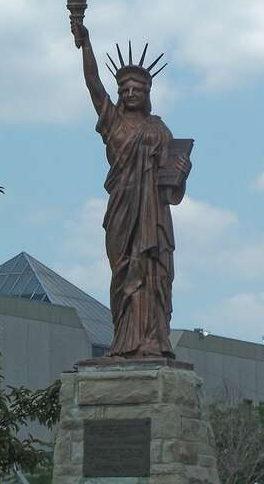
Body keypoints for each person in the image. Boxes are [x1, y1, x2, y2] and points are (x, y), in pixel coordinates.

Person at [72, 22, 191, 358]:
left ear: (147, 92)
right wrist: (85, 42)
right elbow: (93, 83)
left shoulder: (159, 130)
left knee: (154, 272)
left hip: (154, 213)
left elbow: (171, 189)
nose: (130, 94)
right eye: (124, 90)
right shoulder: (113, 122)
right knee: (125, 272)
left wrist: (181, 174)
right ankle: (124, 342)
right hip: (123, 212)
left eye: (137, 89)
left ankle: (154, 340)